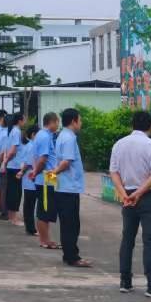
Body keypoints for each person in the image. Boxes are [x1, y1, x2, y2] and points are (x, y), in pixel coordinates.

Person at [109, 110, 151, 297]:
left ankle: (125, 281)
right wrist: (139, 192)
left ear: (132, 125)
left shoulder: (119, 144)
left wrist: (124, 194)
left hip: (127, 196)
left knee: (127, 239)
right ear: (150, 126)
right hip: (147, 197)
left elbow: (114, 171)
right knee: (149, 241)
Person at [50, 108, 90, 268]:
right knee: (71, 225)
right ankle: (72, 256)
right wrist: (53, 173)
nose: (81, 123)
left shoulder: (63, 136)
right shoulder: (69, 138)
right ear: (74, 121)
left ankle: (69, 254)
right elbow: (66, 162)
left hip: (65, 187)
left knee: (68, 223)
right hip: (68, 187)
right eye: (80, 120)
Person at [26, 111, 61, 251]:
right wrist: (36, 172)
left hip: (47, 176)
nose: (58, 125)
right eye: (57, 122)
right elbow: (43, 159)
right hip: (46, 177)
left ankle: (46, 239)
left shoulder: (42, 135)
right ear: (51, 122)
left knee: (47, 208)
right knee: (44, 210)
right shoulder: (45, 136)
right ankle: (44, 240)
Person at [0, 112, 24, 222]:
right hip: (15, 165)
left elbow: (7, 149)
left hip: (11, 165)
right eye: (24, 119)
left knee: (11, 191)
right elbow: (13, 150)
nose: (25, 121)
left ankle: (11, 216)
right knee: (15, 192)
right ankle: (13, 218)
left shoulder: (11, 131)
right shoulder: (16, 131)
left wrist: (5, 162)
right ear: (19, 121)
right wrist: (5, 161)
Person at [18, 124, 39, 236]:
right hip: (31, 179)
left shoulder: (29, 145)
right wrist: (22, 171)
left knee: (29, 204)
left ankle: (30, 227)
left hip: (29, 179)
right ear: (33, 135)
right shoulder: (32, 146)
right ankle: (31, 228)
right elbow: (28, 163)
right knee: (30, 205)